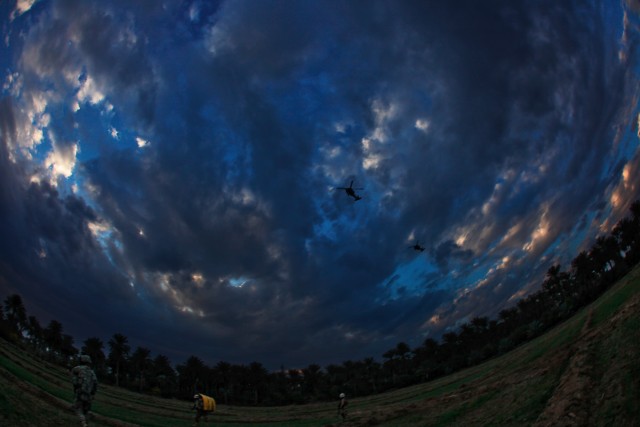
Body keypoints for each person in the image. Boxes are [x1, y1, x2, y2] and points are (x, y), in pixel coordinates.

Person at [71, 354, 98, 427]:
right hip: (88, 395)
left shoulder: (76, 369)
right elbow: (95, 384)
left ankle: (83, 423)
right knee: (86, 410)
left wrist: (76, 388)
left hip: (80, 392)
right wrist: (93, 394)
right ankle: (87, 420)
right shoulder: (92, 372)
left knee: (78, 408)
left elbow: (74, 382)